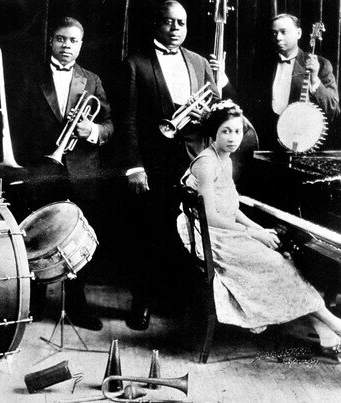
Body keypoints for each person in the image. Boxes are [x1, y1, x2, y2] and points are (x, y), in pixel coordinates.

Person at [177, 100, 341, 362]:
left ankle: (324, 329)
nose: (232, 138)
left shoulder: (224, 158)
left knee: (283, 260)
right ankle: (333, 323)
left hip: (223, 229)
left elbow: (230, 206)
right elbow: (210, 216)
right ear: (212, 134)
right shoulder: (206, 163)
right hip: (212, 237)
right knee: (279, 265)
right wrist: (254, 235)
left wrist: (258, 228)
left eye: (237, 131)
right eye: (225, 132)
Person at [119, 0, 218, 331]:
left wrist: (208, 116)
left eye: (182, 23)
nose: (176, 28)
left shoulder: (200, 62)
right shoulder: (135, 63)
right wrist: (134, 166)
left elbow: (217, 110)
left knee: (188, 233)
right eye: (168, 22)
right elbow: (128, 120)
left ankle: (178, 301)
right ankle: (143, 302)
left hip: (193, 159)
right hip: (154, 161)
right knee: (151, 231)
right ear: (156, 25)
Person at [14, 17, 113, 331]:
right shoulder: (31, 76)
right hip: (42, 169)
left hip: (82, 172)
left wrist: (91, 129)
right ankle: (38, 300)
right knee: (40, 235)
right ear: (51, 41)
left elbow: (110, 126)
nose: (66, 46)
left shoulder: (92, 80)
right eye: (60, 39)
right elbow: (17, 124)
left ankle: (78, 305)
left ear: (80, 45)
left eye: (73, 41)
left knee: (79, 239)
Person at [252, 13, 339, 150]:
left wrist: (315, 80)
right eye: (274, 33)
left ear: (298, 33)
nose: (278, 38)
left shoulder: (321, 65)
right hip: (268, 143)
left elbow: (333, 110)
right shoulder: (262, 66)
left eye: (283, 32)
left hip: (305, 143)